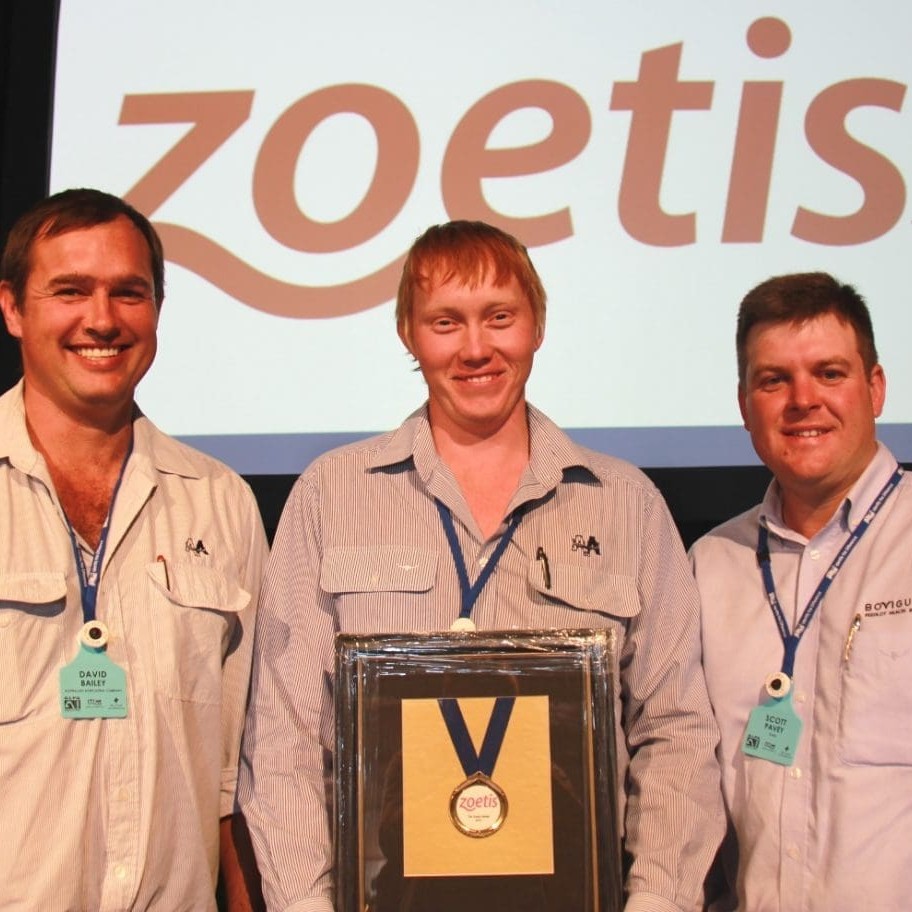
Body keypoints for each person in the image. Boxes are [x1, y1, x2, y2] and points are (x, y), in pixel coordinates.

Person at [240, 220, 723, 912]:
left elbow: (676, 730)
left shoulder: (627, 505)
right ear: (407, 331)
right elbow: (285, 733)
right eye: (446, 321)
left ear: (537, 325)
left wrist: (657, 902)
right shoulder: (331, 494)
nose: (475, 348)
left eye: (500, 317)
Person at [0, 188, 268, 911]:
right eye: (70, 291)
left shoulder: (221, 502)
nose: (102, 319)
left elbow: (241, 777)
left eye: (130, 293)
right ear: (13, 308)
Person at [690, 272, 911, 911]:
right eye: (774, 380)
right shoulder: (710, 569)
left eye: (830, 373)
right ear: (744, 404)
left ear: (875, 387)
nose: (803, 399)